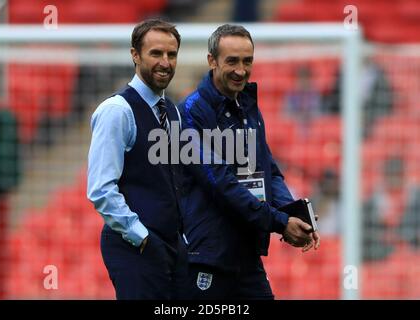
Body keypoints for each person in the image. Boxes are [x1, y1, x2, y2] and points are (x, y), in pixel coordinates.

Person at [177, 24, 320, 300]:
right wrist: (280, 223)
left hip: (247, 255)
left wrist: (297, 215)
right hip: (207, 257)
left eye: (247, 61)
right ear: (212, 61)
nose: (241, 70)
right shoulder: (190, 114)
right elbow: (221, 184)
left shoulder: (248, 107)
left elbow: (268, 170)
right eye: (232, 61)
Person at [87, 19, 187, 300]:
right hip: (135, 246)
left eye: (171, 54)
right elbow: (101, 189)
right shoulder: (117, 111)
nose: (165, 62)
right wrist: (141, 236)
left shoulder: (174, 113)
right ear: (135, 55)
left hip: (172, 246)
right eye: (156, 53)